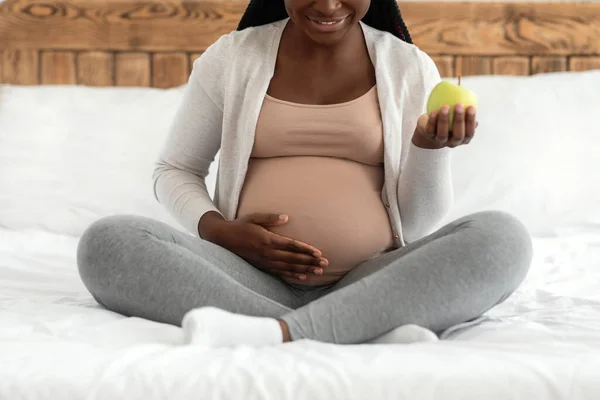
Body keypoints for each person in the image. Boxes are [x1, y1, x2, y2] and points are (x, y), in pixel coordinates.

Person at [77, 0, 533, 347]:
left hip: (371, 276)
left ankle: (274, 334)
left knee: (503, 237)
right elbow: (174, 169)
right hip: (245, 276)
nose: (329, 4)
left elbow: (415, 227)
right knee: (108, 241)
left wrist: (428, 149)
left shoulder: (408, 67)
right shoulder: (232, 58)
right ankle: (361, 326)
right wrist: (219, 231)